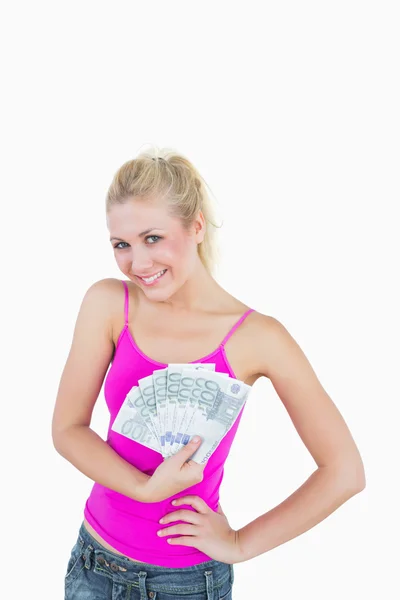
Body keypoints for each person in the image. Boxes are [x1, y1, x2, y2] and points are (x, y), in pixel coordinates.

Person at [52, 148, 366, 599]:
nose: (138, 263)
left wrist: (239, 543)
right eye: (122, 245)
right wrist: (145, 488)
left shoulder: (258, 337)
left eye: (153, 238)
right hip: (93, 562)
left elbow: (345, 472)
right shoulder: (107, 304)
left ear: (196, 226)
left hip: (185, 583)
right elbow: (67, 429)